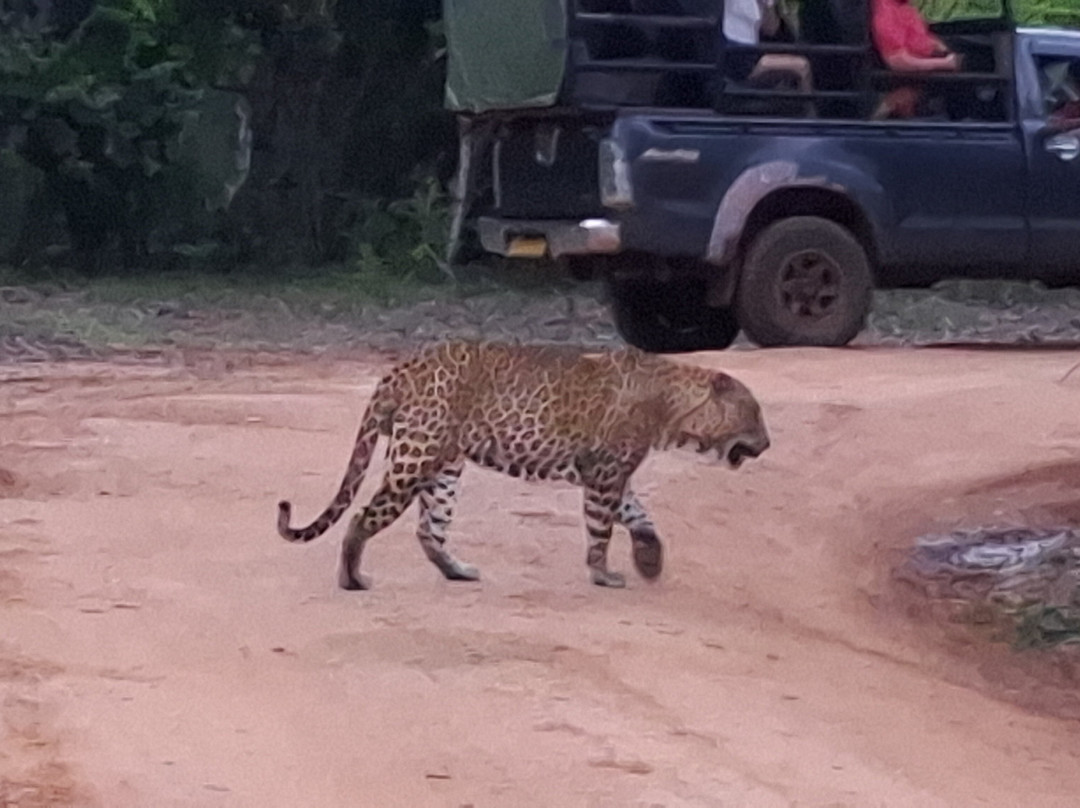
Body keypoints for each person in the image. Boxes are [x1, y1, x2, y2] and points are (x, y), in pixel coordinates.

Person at [871, 0, 960, 118]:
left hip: (926, 63)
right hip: (908, 76)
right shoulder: (886, 14)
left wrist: (941, 48)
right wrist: (944, 63)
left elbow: (919, 37)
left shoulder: (903, 7)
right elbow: (897, 61)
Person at [724, 0, 813, 94]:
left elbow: (770, 29)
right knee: (802, 66)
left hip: (751, 55)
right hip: (736, 57)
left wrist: (768, 5)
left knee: (799, 67)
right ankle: (808, 103)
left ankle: (802, 101)